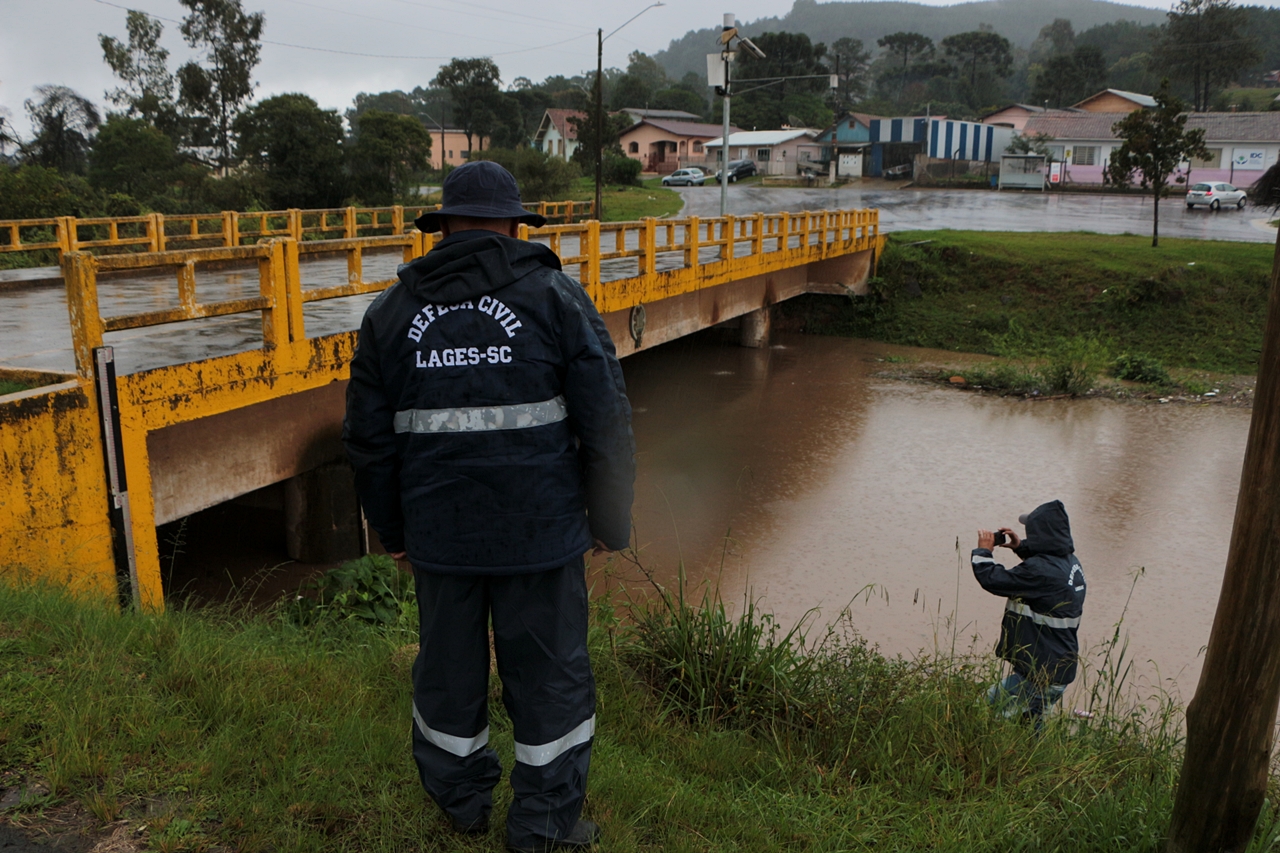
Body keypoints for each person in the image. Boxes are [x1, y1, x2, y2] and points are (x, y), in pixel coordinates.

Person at [343, 160, 635, 853]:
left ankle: (463, 803)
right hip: (540, 533)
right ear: (512, 226)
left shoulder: (390, 313)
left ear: (443, 228)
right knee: (551, 678)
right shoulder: (557, 299)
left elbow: (367, 439)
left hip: (439, 534)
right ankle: (542, 824)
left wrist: (391, 530)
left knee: (447, 671)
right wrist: (609, 521)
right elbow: (607, 420)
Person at [972, 500, 1085, 727]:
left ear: (1041, 533)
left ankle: (986, 756)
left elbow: (993, 580)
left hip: (1038, 675)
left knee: (983, 709)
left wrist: (983, 551)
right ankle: (1033, 759)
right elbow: (1042, 570)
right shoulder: (1070, 562)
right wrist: (1020, 546)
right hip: (1057, 670)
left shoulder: (1040, 572)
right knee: (1030, 726)